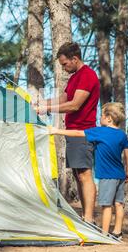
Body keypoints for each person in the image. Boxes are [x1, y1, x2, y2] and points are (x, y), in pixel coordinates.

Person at [35, 42, 100, 223]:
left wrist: (47, 110)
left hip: (83, 132)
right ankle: (85, 216)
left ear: (75, 59)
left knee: (85, 175)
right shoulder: (74, 78)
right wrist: (41, 105)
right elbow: (63, 99)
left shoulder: (87, 75)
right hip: (71, 132)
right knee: (78, 175)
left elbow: (74, 105)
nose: (64, 68)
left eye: (65, 64)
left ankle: (89, 219)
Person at [49, 102, 128, 240]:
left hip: (107, 176)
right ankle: (117, 232)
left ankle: (104, 235)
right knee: (119, 204)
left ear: (109, 118)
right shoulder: (122, 135)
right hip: (120, 175)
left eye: (102, 115)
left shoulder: (99, 131)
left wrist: (56, 131)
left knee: (106, 206)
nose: (100, 117)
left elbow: (77, 132)